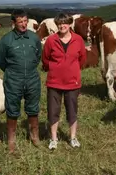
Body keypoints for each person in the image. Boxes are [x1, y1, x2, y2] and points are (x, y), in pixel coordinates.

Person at [0, 10, 42, 154]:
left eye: (25, 21)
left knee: (33, 107)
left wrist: (29, 69)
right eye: (20, 22)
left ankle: (34, 136)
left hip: (32, 78)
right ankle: (11, 140)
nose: (23, 24)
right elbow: (1, 61)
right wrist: (13, 72)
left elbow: (38, 55)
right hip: (13, 79)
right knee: (12, 108)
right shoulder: (6, 40)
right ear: (14, 23)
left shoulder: (34, 38)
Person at [41, 12, 87, 150]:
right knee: (53, 111)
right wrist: (55, 68)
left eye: (65, 23)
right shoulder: (51, 40)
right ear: (57, 25)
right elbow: (45, 59)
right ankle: (54, 139)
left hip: (72, 82)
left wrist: (71, 69)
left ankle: (73, 137)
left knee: (72, 110)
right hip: (54, 82)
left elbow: (82, 59)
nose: (62, 26)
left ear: (70, 24)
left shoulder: (78, 40)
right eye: (60, 23)